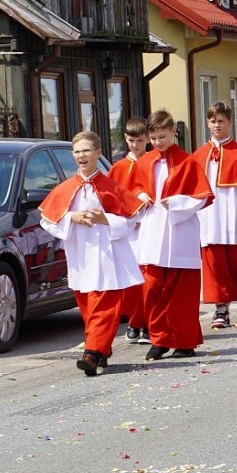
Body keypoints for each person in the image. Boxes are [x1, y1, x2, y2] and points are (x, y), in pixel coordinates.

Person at [40, 132, 144, 377]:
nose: (81, 156)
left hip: (108, 257)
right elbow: (47, 221)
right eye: (77, 152)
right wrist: (70, 218)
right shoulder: (66, 188)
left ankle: (92, 353)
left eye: (86, 150)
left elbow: (134, 219)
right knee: (88, 308)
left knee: (103, 307)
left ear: (98, 153)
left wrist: (104, 219)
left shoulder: (111, 187)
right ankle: (102, 351)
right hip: (80, 257)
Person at [128, 110, 213, 361]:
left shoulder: (188, 162)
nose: (157, 143)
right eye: (153, 138)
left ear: (174, 131)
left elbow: (201, 197)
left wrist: (177, 202)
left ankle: (184, 341)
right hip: (153, 232)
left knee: (181, 292)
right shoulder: (144, 162)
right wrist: (140, 196)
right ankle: (159, 339)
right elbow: (131, 190)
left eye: (162, 136)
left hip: (180, 232)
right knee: (152, 288)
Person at [192, 102, 237, 329]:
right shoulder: (199, 155)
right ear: (208, 123)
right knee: (215, 264)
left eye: (221, 121)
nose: (217, 125)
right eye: (213, 121)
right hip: (209, 217)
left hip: (234, 215)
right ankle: (221, 310)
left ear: (230, 122)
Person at [110, 117, 150, 345]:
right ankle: (135, 321)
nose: (135, 145)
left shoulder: (154, 162)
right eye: (131, 140)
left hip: (150, 227)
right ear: (126, 139)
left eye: (140, 140)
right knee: (131, 278)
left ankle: (147, 323)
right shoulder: (118, 168)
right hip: (128, 229)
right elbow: (112, 198)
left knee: (149, 277)